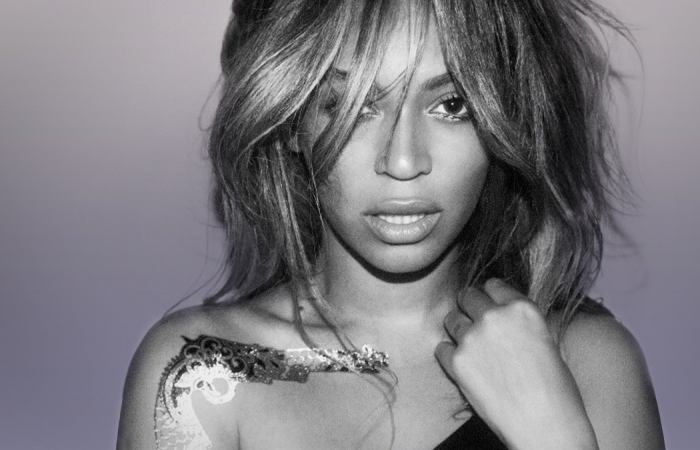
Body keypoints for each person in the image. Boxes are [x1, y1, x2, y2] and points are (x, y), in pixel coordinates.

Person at [118, 0, 664, 448]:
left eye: (452, 105)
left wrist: (554, 436)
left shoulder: (589, 363)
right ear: (290, 122)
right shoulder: (201, 377)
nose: (403, 162)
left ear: (502, 121)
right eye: (354, 107)